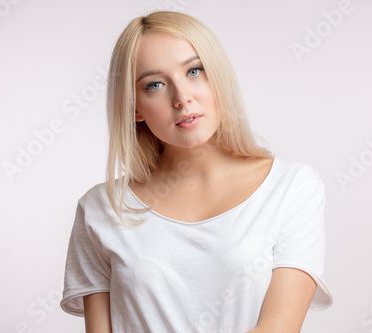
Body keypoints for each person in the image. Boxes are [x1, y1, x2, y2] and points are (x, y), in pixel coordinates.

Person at [60, 10, 333, 333]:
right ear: (134, 107)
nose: (182, 97)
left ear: (217, 75)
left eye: (194, 70)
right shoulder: (101, 209)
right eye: (155, 84)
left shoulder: (292, 188)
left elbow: (279, 326)